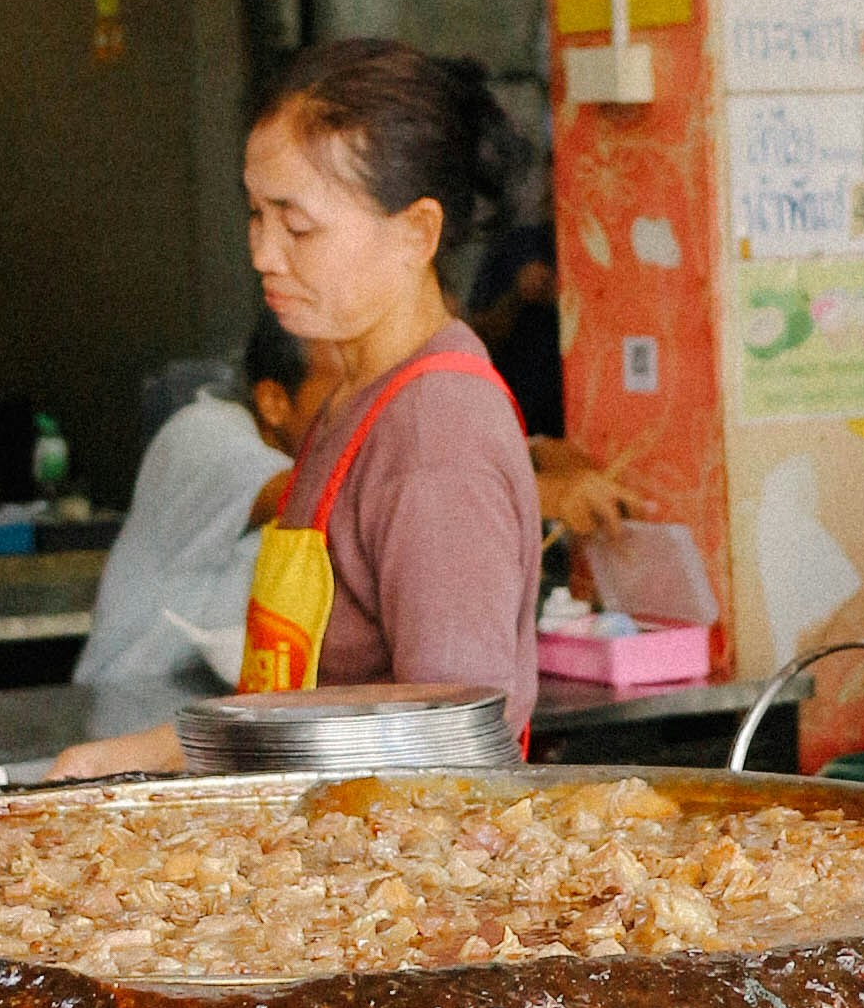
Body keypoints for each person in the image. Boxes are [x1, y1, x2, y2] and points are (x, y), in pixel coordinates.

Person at [57, 43, 542, 771]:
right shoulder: (353, 396)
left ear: (416, 233)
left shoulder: (436, 433)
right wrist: (148, 755)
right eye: (256, 215)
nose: (263, 253)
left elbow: (452, 748)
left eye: (298, 225)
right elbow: (314, 694)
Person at [71, 314, 315, 731]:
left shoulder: (288, 453)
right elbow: (312, 493)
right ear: (274, 400)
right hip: (130, 714)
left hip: (203, 712)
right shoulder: (202, 435)